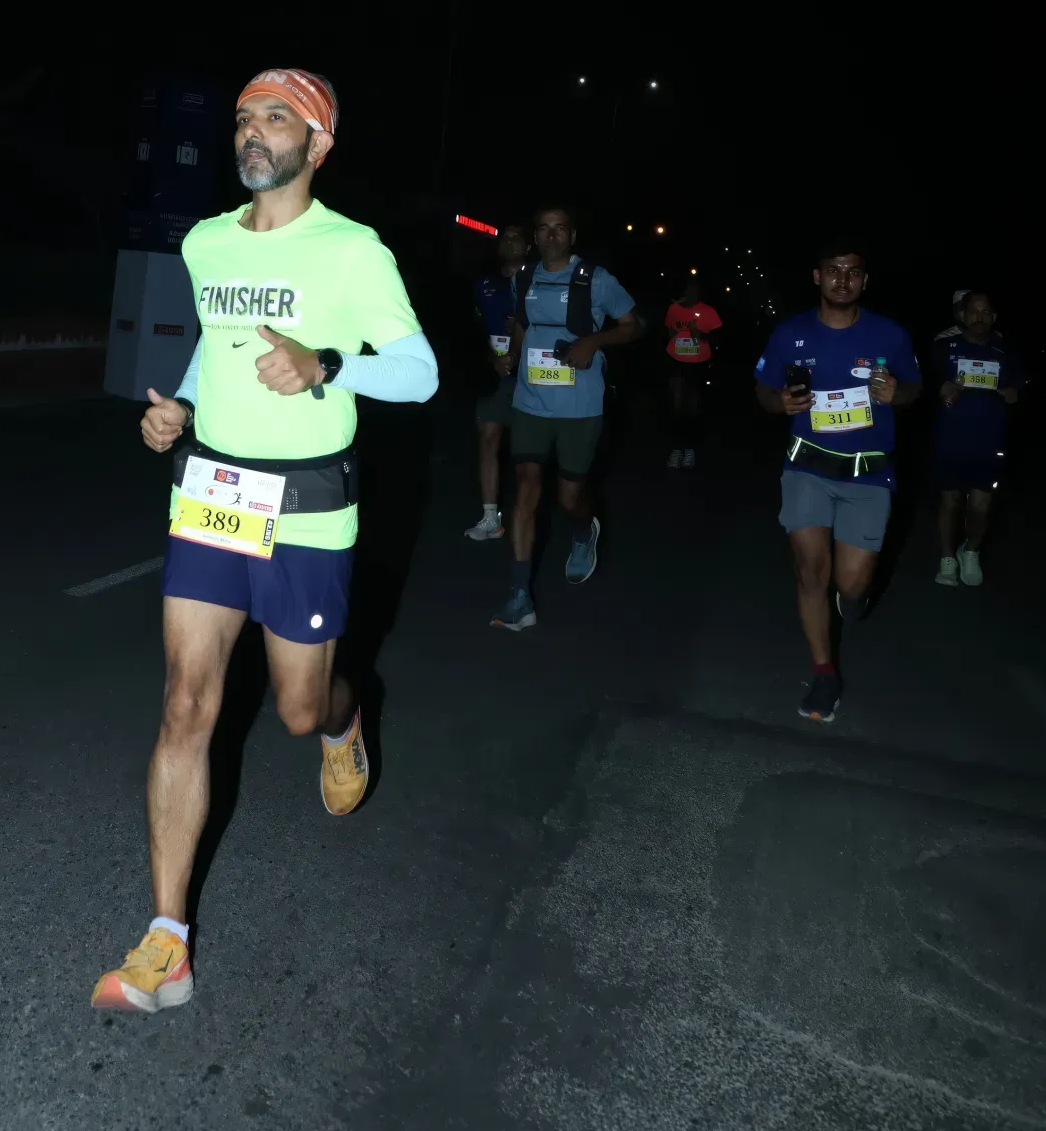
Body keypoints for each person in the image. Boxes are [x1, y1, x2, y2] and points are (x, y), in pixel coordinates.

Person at [91, 67, 437, 1014]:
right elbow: (216, 342)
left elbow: (418, 374)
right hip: (213, 490)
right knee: (185, 703)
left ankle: (341, 719)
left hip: (309, 505)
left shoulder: (352, 250)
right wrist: (181, 405)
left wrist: (326, 365)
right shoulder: (206, 242)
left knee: (295, 708)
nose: (252, 130)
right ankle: (167, 940)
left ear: (317, 145)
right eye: (244, 117)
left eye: (276, 118)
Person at [754, 242, 921, 724]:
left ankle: (855, 597)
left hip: (868, 473)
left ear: (864, 281)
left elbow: (914, 388)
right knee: (811, 571)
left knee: (851, 584)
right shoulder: (790, 333)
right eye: (833, 271)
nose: (842, 280)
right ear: (817, 276)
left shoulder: (889, 334)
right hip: (806, 468)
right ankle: (824, 674)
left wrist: (898, 394)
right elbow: (763, 390)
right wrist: (779, 403)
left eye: (852, 273)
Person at [490, 205, 641, 631]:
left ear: (572, 236)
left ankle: (583, 529)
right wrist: (510, 356)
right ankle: (519, 596)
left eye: (560, 229)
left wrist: (594, 340)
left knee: (570, 496)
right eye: (544, 229)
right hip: (531, 402)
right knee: (525, 488)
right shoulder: (524, 277)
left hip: (580, 406)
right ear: (535, 237)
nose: (552, 236)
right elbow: (521, 325)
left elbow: (633, 325)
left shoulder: (596, 278)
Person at [934, 290, 1021, 586]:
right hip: (950, 438)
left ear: (994, 317)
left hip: (990, 441)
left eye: (986, 312)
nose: (979, 317)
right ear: (962, 314)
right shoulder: (943, 347)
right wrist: (941, 389)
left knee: (981, 506)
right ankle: (947, 558)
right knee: (950, 501)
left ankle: (970, 550)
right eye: (974, 311)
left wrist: (1014, 394)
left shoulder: (1006, 350)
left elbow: (1019, 391)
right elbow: (921, 387)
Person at [465, 223, 529, 540]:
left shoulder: (540, 280)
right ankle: (490, 517)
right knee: (489, 438)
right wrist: (493, 358)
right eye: (505, 237)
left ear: (528, 246)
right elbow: (473, 328)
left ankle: (527, 513)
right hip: (495, 372)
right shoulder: (484, 283)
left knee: (527, 449)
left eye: (516, 237)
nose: (509, 242)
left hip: (532, 375)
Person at [663, 274, 722, 469]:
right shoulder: (674, 308)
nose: (691, 294)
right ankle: (676, 449)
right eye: (689, 290)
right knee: (676, 406)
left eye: (695, 291)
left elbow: (718, 339)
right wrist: (672, 333)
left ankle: (689, 450)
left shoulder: (708, 312)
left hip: (699, 364)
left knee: (693, 408)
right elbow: (668, 329)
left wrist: (701, 335)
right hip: (676, 361)